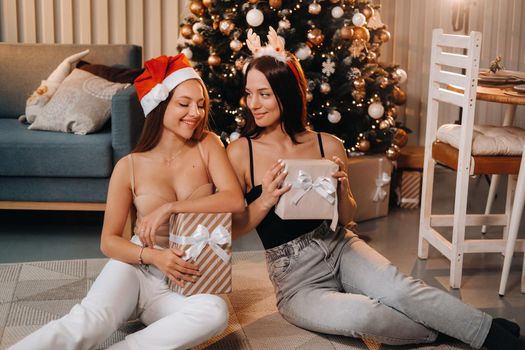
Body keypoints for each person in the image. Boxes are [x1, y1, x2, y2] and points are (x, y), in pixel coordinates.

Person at [226, 28, 524, 350]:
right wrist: (266, 199)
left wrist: (340, 190)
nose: (253, 104)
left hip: (340, 245)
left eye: (264, 94)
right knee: (366, 317)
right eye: (249, 93)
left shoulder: (328, 145)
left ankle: (486, 333)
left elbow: (349, 216)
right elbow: (233, 229)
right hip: (295, 280)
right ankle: (461, 328)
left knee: (400, 290)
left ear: (287, 94)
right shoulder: (243, 153)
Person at [11, 54, 245, 350]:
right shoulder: (129, 166)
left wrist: (170, 207)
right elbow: (109, 242)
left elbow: (234, 200)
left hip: (184, 279)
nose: (195, 113)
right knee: (89, 322)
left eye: (200, 104)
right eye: (183, 104)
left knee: (215, 312)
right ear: (160, 105)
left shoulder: (208, 145)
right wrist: (153, 256)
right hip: (136, 268)